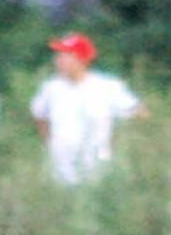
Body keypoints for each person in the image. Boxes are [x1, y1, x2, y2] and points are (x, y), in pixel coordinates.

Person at [29, 32, 142, 185]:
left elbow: (138, 112)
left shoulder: (107, 87)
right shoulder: (51, 88)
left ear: (81, 59)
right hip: (61, 172)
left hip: (98, 171)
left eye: (64, 56)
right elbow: (39, 116)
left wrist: (117, 145)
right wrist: (51, 144)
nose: (58, 60)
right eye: (58, 55)